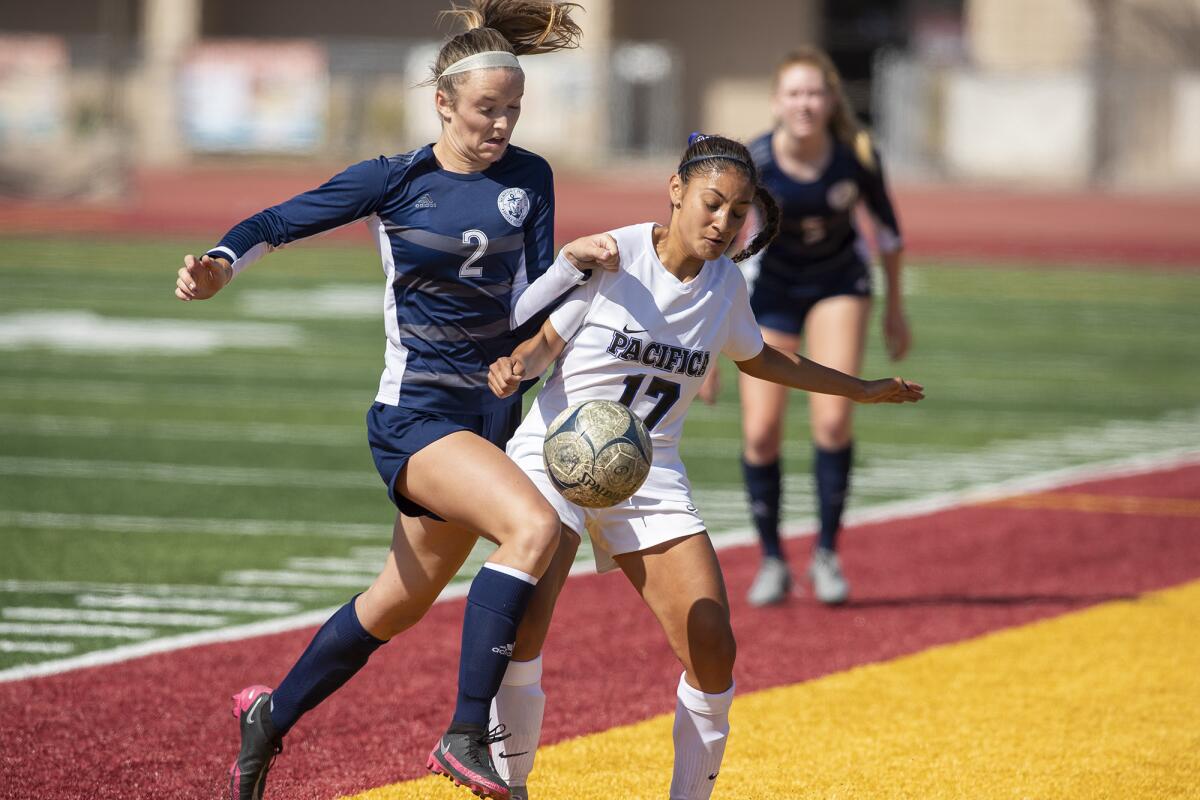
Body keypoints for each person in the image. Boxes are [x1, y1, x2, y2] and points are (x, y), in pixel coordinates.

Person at [172, 3, 617, 799]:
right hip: (416, 418)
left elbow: (534, 299)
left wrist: (572, 285)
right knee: (535, 530)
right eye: (487, 109)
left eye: (513, 109)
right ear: (442, 102)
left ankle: (269, 717)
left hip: (492, 420)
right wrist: (218, 262)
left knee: (398, 602)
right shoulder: (396, 179)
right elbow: (279, 220)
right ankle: (463, 735)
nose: (501, 124)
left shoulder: (532, 177)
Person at [485, 134, 924, 800]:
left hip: (648, 470)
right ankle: (509, 788)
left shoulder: (725, 286)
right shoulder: (617, 254)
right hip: (557, 455)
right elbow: (546, 341)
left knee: (712, 643)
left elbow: (763, 359)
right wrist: (515, 367)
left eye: (738, 212)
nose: (723, 222)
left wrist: (860, 388)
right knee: (524, 630)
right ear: (676, 190)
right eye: (712, 204)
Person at [705, 47, 912, 607]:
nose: (805, 103)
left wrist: (895, 309)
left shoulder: (856, 156)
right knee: (760, 433)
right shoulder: (756, 162)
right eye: (794, 93)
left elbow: (888, 235)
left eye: (815, 93)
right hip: (771, 292)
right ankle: (772, 558)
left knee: (832, 418)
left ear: (830, 101)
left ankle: (826, 553)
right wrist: (703, 340)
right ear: (777, 102)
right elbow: (718, 244)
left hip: (839, 285)